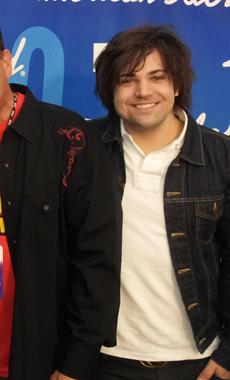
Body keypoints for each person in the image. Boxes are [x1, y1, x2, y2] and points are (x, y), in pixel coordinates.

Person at [0, 6, 122, 380]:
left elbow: (97, 260)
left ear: (6, 60)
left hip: (41, 358)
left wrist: (76, 361)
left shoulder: (69, 139)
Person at [90, 25, 230, 380]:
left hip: (198, 360)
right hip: (102, 358)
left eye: (157, 77)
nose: (143, 91)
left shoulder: (221, 156)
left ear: (177, 84)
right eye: (127, 79)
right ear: (111, 88)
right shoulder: (82, 147)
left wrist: (229, 351)